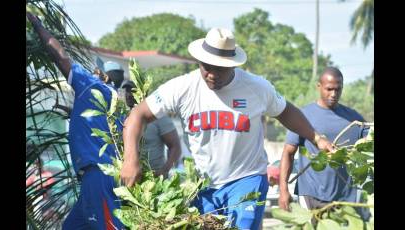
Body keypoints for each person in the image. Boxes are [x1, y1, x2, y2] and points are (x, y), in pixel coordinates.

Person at [120, 27, 334, 230]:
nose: (212, 74)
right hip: (203, 186)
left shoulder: (256, 88)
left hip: (247, 179)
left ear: (233, 65)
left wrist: (316, 137)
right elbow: (138, 115)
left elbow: (286, 111)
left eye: (220, 69)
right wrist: (131, 159)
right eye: (207, 67)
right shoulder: (182, 88)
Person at [27, 12, 124, 230]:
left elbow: (60, 56)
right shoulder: (118, 103)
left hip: (98, 176)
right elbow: (99, 124)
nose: (92, 71)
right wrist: (72, 112)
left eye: (95, 71)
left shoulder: (91, 85)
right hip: (102, 176)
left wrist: (37, 24)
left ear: (102, 75)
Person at [278, 67, 369, 214]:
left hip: (346, 198)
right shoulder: (302, 116)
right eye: (329, 89)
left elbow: (370, 140)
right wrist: (283, 190)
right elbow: (288, 153)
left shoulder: (354, 119)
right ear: (319, 86)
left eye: (338, 89)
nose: (333, 94)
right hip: (312, 196)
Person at [121, 80, 182, 178]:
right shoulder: (120, 117)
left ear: (143, 93)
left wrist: (164, 170)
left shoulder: (158, 116)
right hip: (129, 180)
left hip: (154, 181)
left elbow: (175, 146)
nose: (128, 95)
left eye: (132, 91)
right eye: (127, 91)